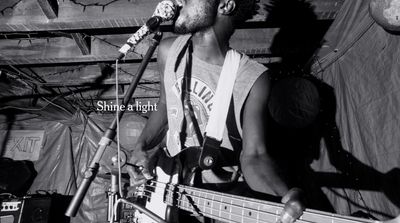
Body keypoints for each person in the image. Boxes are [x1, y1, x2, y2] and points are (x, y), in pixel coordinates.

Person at [127, 0, 303, 220]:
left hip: (217, 199)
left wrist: (284, 194)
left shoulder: (252, 77)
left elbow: (254, 154)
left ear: (226, 5)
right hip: (168, 183)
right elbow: (165, 105)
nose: (178, 1)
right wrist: (141, 147)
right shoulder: (168, 50)